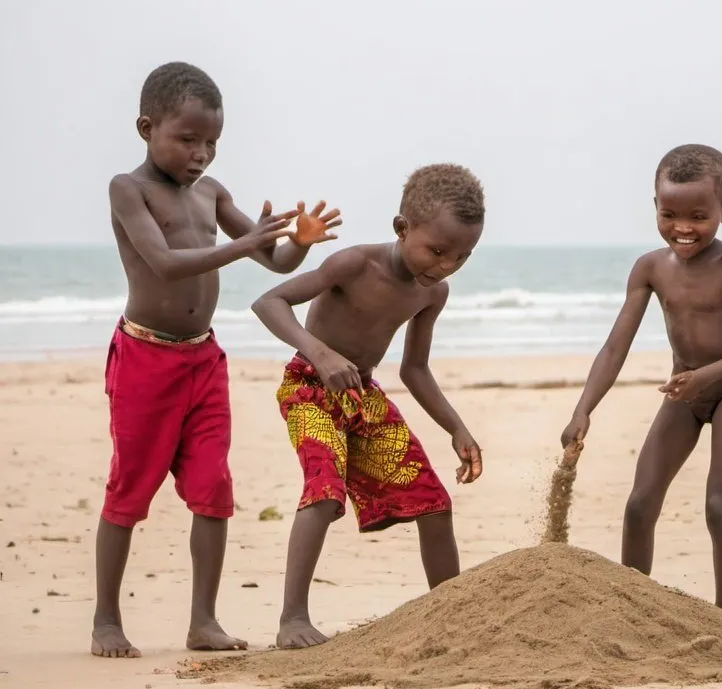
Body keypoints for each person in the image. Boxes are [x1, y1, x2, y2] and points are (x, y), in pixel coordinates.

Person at [95, 61, 340, 658]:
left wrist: (295, 245)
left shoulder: (212, 194)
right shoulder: (129, 190)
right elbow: (164, 262)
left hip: (202, 361)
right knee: (131, 487)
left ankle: (203, 621)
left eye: (211, 142)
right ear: (146, 127)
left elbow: (274, 263)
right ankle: (106, 619)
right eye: (188, 139)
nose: (201, 153)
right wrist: (245, 243)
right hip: (145, 359)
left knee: (213, 488)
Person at [251, 163, 485, 648]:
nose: (445, 266)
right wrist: (320, 352)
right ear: (402, 228)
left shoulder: (432, 293)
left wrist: (456, 428)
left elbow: (414, 369)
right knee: (324, 491)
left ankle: (453, 619)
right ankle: (292, 619)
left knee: (434, 504)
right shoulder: (353, 264)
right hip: (308, 387)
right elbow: (270, 301)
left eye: (462, 257)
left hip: (364, 396)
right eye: (437, 251)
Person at [561, 145, 722, 612]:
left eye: (699, 216)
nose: (683, 227)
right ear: (655, 207)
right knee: (640, 504)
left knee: (720, 506)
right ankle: (634, 614)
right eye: (669, 213)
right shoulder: (650, 268)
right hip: (684, 392)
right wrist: (583, 409)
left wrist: (707, 377)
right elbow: (616, 345)